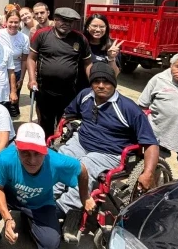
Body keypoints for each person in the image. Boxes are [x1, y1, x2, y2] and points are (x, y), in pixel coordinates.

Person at [55, 63, 159, 218]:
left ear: (114, 84)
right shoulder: (85, 96)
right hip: (81, 141)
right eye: (96, 81)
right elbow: (68, 113)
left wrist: (148, 172)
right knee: (60, 158)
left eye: (107, 82)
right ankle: (48, 195)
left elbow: (151, 143)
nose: (101, 86)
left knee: (84, 166)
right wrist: (58, 132)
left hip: (109, 152)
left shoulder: (128, 108)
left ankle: (63, 208)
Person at [0, 123, 95, 249]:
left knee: (51, 244)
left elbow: (81, 169)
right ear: (17, 148)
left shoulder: (56, 161)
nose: (32, 161)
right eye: (25, 153)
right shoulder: (5, 158)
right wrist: (7, 219)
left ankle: (28, 220)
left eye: (37, 153)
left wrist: (85, 197)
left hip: (40, 204)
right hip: (10, 197)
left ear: (46, 150)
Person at [27, 7, 92, 138]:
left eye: (70, 22)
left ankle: (61, 148)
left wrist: (93, 83)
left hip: (68, 92)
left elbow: (88, 63)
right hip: (44, 90)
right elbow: (31, 58)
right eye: (63, 20)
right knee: (45, 124)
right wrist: (31, 79)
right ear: (55, 19)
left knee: (65, 124)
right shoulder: (42, 34)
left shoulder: (80, 39)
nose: (66, 24)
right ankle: (46, 148)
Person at [77, 14, 122, 91]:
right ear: (87, 27)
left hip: (100, 91)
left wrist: (111, 58)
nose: (98, 29)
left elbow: (114, 74)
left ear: (106, 28)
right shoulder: (80, 43)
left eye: (102, 27)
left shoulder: (111, 46)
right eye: (94, 26)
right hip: (78, 89)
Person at [0, 10, 29, 118]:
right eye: (11, 22)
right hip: (0, 72)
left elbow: (24, 60)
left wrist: (21, 78)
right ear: (6, 21)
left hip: (16, 73)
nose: (13, 25)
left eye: (16, 22)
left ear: (20, 22)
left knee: (13, 100)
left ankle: (12, 128)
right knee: (0, 101)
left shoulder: (24, 38)